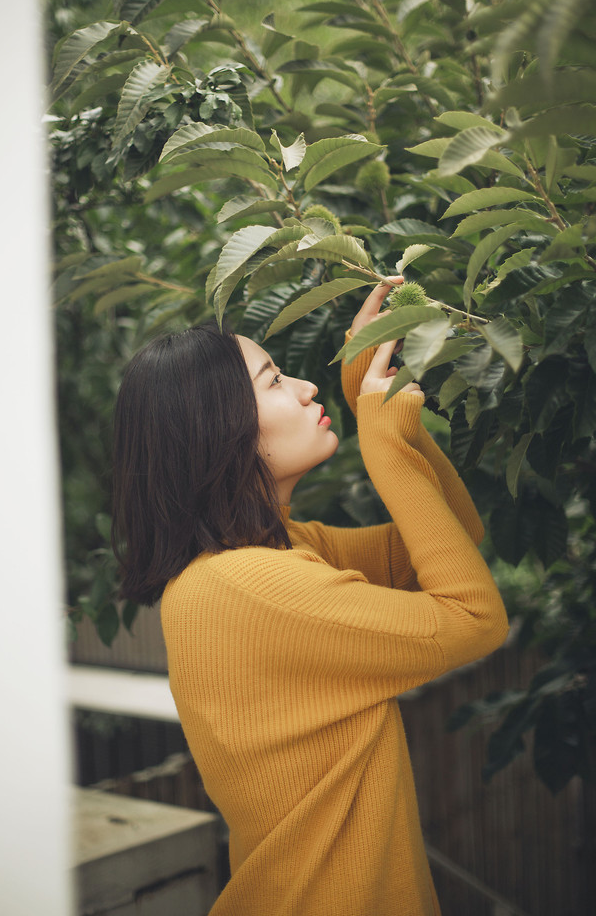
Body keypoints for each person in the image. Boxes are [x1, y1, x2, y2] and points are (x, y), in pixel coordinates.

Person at [111, 279, 509, 916]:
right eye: (274, 381)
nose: (306, 388)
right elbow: (474, 619)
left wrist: (382, 420)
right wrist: (380, 443)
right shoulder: (251, 585)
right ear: (219, 429)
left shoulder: (281, 553)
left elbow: (452, 538)